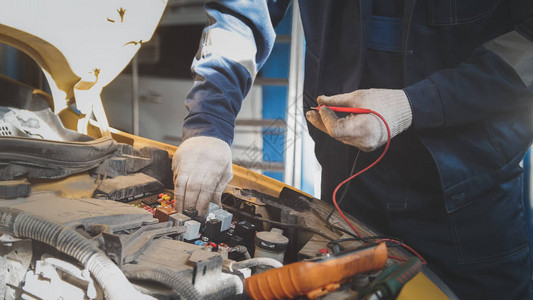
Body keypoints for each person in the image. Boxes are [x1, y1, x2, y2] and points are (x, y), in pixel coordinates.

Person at [172, 1, 533, 298]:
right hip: (349, 189)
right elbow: (242, 15)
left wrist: (414, 105)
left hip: (470, 205)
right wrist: (209, 125)